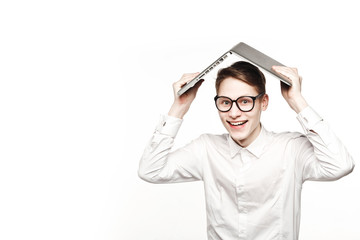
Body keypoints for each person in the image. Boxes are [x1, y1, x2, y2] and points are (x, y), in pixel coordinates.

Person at [138, 61, 355, 240]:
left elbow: (340, 165)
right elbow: (150, 170)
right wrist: (179, 107)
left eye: (245, 101)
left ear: (264, 102)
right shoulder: (206, 148)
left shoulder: (290, 148)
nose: (234, 113)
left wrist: (296, 101)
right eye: (225, 102)